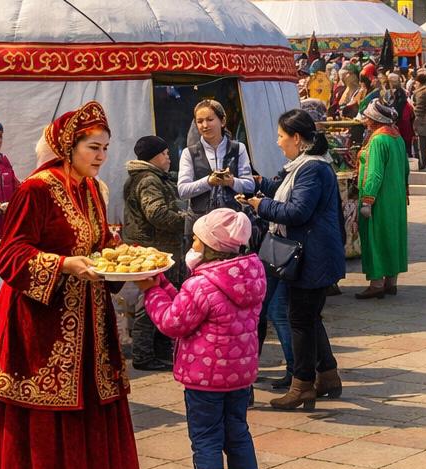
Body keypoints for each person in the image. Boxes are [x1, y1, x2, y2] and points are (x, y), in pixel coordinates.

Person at [0, 101, 141, 469]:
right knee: (53, 403)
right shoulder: (36, 189)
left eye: (105, 148)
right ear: (69, 147)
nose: (101, 157)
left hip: (91, 315)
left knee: (94, 396)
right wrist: (62, 264)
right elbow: (11, 255)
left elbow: (99, 242)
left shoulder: (91, 188)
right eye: (93, 148)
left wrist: (120, 254)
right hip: (44, 320)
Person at [136, 208, 266, 469]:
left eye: (196, 239)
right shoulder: (251, 273)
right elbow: (187, 306)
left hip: (205, 379)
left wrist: (150, 291)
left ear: (210, 246)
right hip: (239, 374)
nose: (191, 244)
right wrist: (163, 284)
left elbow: (172, 322)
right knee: (237, 431)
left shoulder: (202, 285)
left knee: (206, 437)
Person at [239, 109, 345, 411]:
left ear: (296, 138)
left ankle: (302, 385)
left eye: (281, 136)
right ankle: (328, 375)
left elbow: (297, 211)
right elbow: (290, 194)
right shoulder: (304, 166)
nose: (277, 141)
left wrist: (261, 205)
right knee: (309, 318)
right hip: (315, 254)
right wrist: (261, 184)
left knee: (300, 320)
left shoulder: (312, 169)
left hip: (313, 256)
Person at [122, 135, 187, 371]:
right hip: (155, 249)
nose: (168, 158)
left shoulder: (152, 177)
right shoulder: (149, 180)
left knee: (162, 300)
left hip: (158, 247)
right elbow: (157, 214)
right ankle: (143, 355)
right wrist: (187, 221)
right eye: (165, 154)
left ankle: (161, 352)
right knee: (152, 301)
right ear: (153, 156)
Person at [177, 99, 255, 243]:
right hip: (199, 227)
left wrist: (231, 182)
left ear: (222, 121)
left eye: (210, 119)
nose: (205, 125)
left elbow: (250, 185)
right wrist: (208, 182)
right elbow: (182, 191)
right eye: (200, 121)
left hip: (231, 226)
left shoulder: (238, 148)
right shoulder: (189, 153)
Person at [355, 100, 409, 299]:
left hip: (380, 198)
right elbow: (406, 168)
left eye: (367, 117)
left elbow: (374, 173)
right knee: (392, 236)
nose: (365, 120)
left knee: (376, 237)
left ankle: (377, 283)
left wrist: (367, 200)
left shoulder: (378, 140)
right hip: (396, 197)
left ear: (374, 120)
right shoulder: (397, 137)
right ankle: (391, 282)